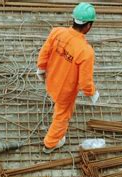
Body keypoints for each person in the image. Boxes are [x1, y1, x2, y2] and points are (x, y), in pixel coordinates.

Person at [36, 2, 99, 154]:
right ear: (88, 26)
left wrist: (41, 68)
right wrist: (92, 93)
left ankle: (53, 137)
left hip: (51, 80)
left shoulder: (57, 32)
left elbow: (44, 52)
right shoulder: (86, 51)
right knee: (62, 115)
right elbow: (85, 82)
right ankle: (51, 142)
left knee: (59, 106)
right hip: (65, 91)